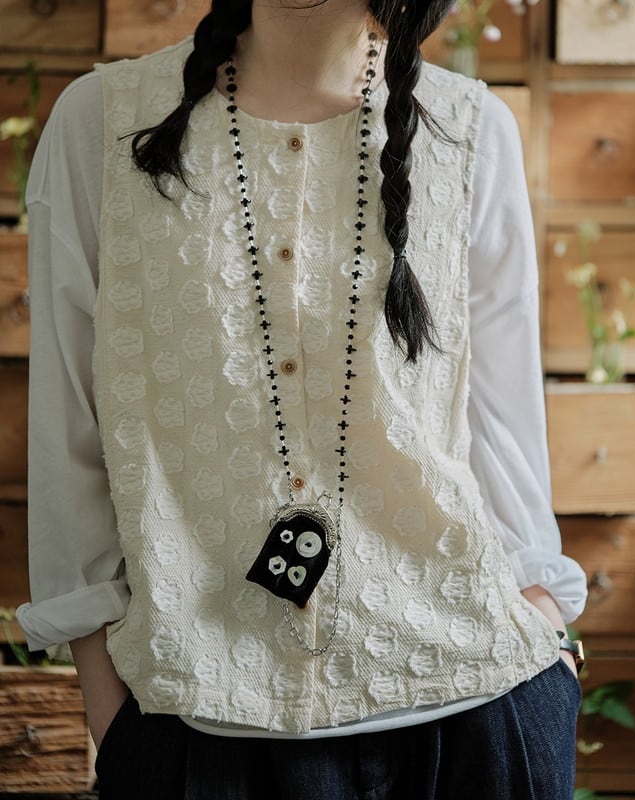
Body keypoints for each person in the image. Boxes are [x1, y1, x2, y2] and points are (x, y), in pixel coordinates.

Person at [16, 0, 587, 796]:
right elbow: (66, 425)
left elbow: (504, 422)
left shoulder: (470, 129)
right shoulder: (102, 123)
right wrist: (111, 709)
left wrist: (546, 626)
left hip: (476, 713)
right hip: (199, 722)